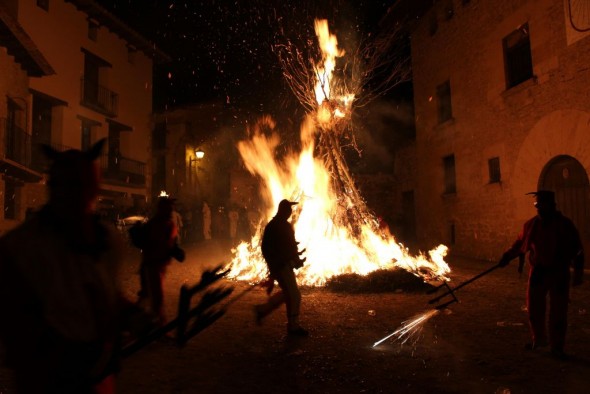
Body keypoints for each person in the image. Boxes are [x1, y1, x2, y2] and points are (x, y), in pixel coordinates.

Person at [0, 139, 135, 393]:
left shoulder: (107, 241)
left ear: (93, 192)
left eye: (84, 189)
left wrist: (132, 314)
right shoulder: (21, 248)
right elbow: (15, 328)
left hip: (99, 377)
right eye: (70, 188)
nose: (79, 199)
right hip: (46, 379)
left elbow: (108, 296)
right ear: (55, 189)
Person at [499, 190, 584, 359]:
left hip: (559, 272)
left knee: (558, 311)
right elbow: (519, 244)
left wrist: (578, 272)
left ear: (551, 205)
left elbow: (577, 249)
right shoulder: (531, 225)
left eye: (541, 205)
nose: (538, 208)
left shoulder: (564, 225)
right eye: (536, 205)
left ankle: (557, 346)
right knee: (534, 308)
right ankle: (539, 340)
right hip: (538, 271)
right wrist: (507, 256)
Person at [254, 199, 308, 336]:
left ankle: (262, 310)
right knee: (294, 295)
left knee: (287, 293)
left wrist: (296, 259)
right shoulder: (279, 226)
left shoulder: (278, 225)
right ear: (283, 210)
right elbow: (269, 249)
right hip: (281, 266)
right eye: (289, 209)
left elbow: (288, 246)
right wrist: (275, 265)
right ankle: (293, 327)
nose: (291, 212)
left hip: (283, 265)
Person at [138, 196, 184, 325]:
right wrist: (172, 251)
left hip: (159, 265)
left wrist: (176, 251)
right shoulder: (156, 224)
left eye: (171, 208)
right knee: (155, 298)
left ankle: (146, 322)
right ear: (162, 209)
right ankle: (159, 327)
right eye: (168, 208)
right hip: (152, 265)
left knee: (149, 295)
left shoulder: (168, 224)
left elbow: (170, 244)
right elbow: (157, 244)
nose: (171, 210)